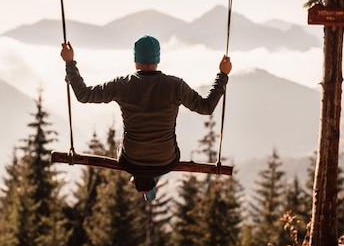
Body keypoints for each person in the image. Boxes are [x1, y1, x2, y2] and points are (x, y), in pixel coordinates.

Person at [60, 35, 232, 201]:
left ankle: (145, 181)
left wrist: (70, 63)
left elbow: (84, 95)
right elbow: (206, 107)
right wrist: (222, 75)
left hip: (131, 160)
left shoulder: (122, 84)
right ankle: (149, 181)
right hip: (166, 159)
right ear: (157, 59)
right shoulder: (176, 85)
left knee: (126, 145)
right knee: (167, 146)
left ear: (135, 59)